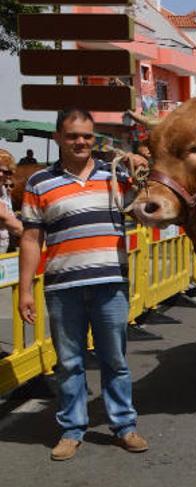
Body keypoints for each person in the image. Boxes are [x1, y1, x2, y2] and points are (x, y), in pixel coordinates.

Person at [18, 108, 147, 461]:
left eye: (87, 136)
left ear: (95, 139)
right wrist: (26, 289)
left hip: (111, 284)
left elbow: (144, 212)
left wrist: (141, 173)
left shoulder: (115, 176)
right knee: (70, 363)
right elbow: (31, 238)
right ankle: (72, 429)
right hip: (62, 288)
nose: (81, 142)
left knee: (115, 361)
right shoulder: (39, 182)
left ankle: (124, 425)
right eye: (73, 135)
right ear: (58, 137)